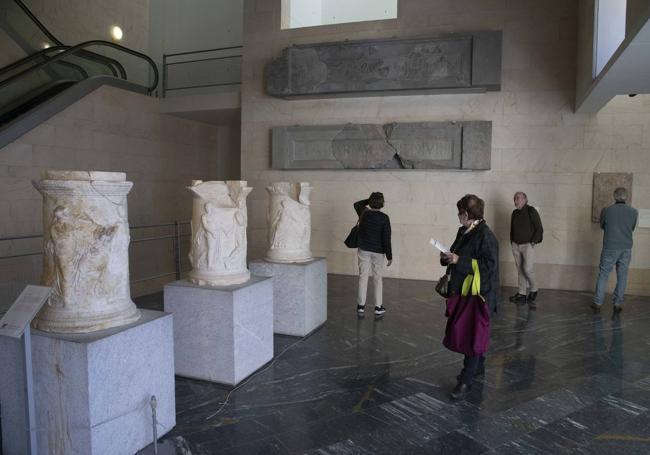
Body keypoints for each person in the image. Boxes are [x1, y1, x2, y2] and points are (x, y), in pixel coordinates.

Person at [441, 194, 499, 400]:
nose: (458, 216)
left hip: (479, 295)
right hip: (465, 291)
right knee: (472, 333)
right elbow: (457, 254)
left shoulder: (486, 236)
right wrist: (448, 257)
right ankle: (478, 366)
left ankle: (466, 380)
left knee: (473, 336)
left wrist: (460, 260)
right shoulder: (464, 231)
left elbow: (488, 267)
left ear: (466, 214)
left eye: (459, 212)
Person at [592, 187, 638, 314]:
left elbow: (602, 225)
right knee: (622, 276)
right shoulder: (634, 212)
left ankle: (598, 303)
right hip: (626, 248)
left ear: (614, 196)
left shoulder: (606, 211)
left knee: (603, 275)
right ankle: (618, 303)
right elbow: (632, 228)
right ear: (626, 197)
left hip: (610, 247)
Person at [354, 192, 392, 317]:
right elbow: (386, 238)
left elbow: (357, 204)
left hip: (364, 249)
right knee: (377, 278)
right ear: (382, 203)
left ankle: (361, 306)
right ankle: (378, 307)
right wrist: (389, 256)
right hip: (378, 252)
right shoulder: (384, 218)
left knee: (363, 276)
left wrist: (370, 201)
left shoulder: (364, 212)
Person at [509, 192, 543, 308]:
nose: (515, 201)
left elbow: (539, 228)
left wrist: (533, 241)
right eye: (515, 199)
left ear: (525, 199)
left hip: (528, 245)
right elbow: (512, 229)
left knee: (527, 269)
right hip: (515, 245)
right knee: (520, 270)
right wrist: (512, 242)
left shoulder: (531, 211)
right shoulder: (514, 213)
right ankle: (522, 293)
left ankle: (534, 289)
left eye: (518, 198)